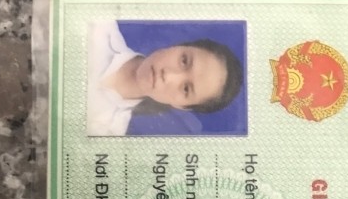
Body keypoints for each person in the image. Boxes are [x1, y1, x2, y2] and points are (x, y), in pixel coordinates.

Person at [87, 21, 244, 136]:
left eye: (186, 89)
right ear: (178, 46)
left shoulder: (108, 133)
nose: (169, 75)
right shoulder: (97, 25)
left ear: (182, 106)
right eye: (184, 61)